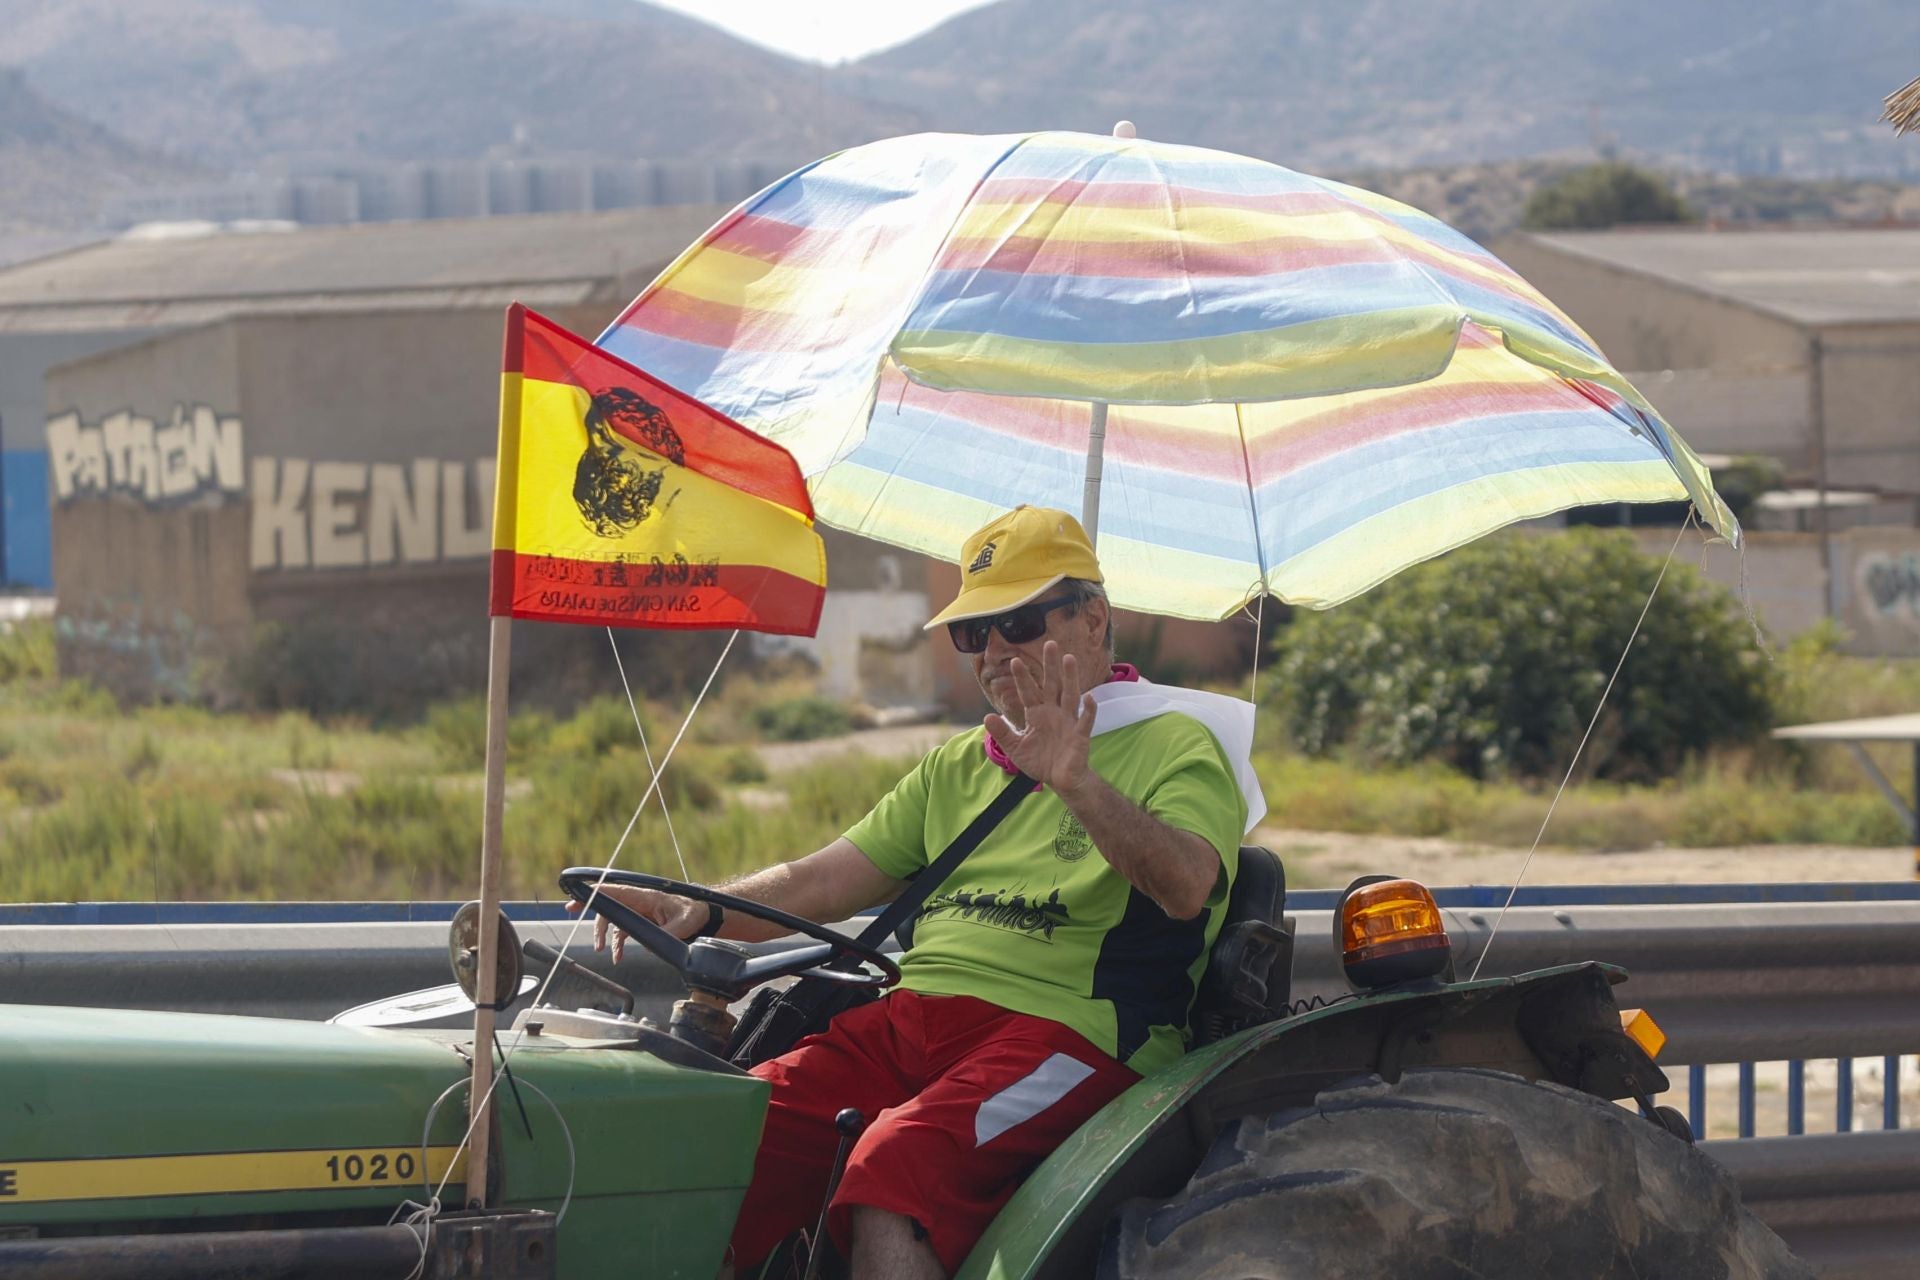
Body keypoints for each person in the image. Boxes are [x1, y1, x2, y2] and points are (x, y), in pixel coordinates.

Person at [577, 505, 1260, 1279]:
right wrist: (696, 906)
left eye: (1020, 622)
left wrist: (1077, 783)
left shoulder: (1176, 743)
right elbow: (822, 879)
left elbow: (1188, 887)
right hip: (911, 1020)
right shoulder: (957, 765)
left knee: (896, 1166)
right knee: (716, 1136)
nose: (994, 651)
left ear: (1094, 618)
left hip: (1076, 1035)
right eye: (973, 632)